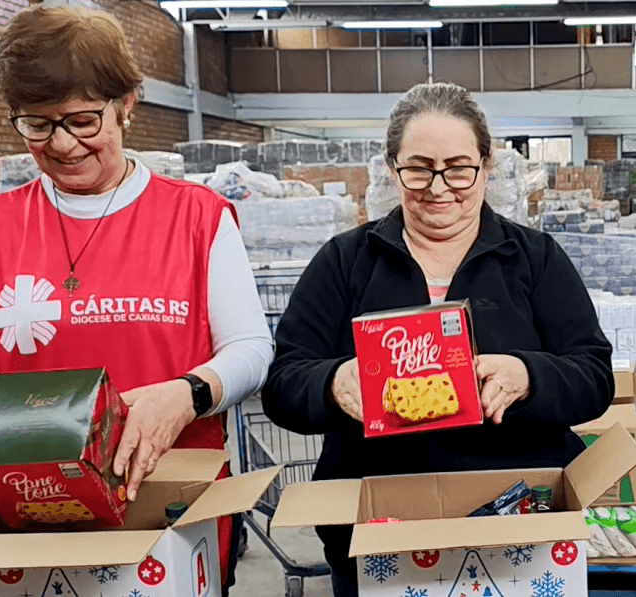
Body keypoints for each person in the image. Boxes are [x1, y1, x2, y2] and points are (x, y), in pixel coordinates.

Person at [0, 5, 273, 593]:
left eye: (81, 120)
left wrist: (188, 393)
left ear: (126, 103)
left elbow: (250, 349)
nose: (63, 144)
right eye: (37, 125)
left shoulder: (195, 219)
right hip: (34, 520)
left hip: (168, 515)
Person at [263, 82, 614, 597]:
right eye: (419, 167)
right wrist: (334, 383)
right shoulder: (344, 262)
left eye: (458, 167)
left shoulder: (534, 259)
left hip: (515, 529)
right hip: (376, 535)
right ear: (392, 168)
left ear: (486, 166)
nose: (438, 186)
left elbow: (594, 375)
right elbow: (282, 385)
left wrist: (528, 376)